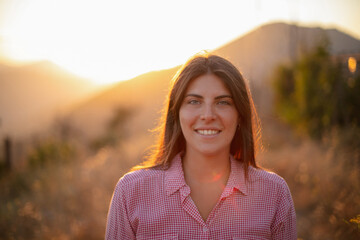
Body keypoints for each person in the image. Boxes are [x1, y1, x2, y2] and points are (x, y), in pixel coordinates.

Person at [105, 53, 297, 239]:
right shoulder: (130, 192)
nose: (208, 115)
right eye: (194, 101)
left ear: (240, 115)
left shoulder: (274, 193)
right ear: (177, 113)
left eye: (223, 102)